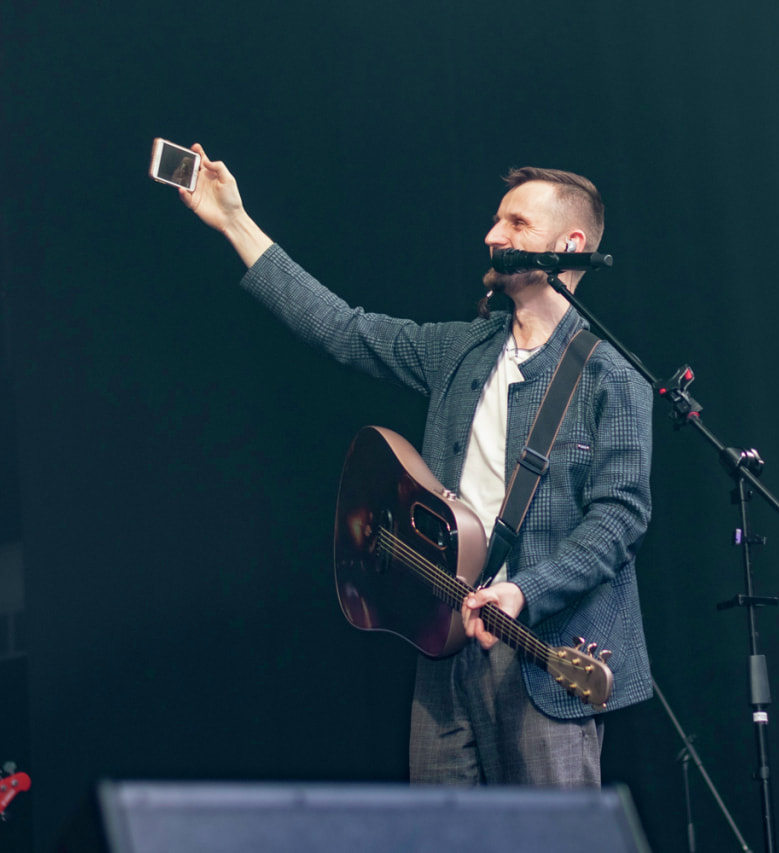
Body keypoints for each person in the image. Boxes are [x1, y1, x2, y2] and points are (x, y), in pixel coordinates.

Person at [179, 145, 653, 785]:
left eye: (516, 223)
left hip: (544, 652)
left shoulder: (611, 377)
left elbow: (619, 520)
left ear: (569, 245)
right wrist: (234, 220)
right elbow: (343, 329)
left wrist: (524, 591)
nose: (492, 235)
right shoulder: (460, 349)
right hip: (444, 642)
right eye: (495, 220)